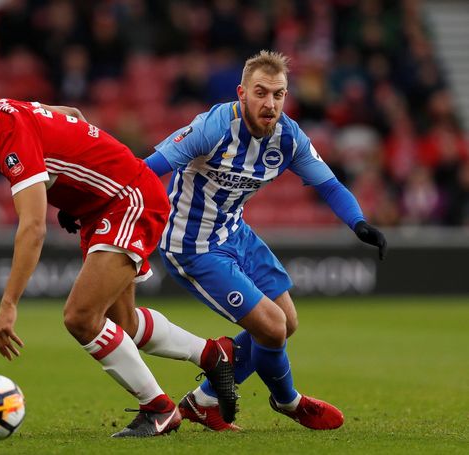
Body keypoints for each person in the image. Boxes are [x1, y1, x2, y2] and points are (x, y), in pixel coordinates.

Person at [0, 39, 237, 438]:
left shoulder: (10, 136)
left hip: (128, 198)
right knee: (123, 322)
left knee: (80, 317)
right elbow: (71, 114)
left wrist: (8, 305)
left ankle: (158, 409)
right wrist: (79, 187)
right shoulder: (5, 112)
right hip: (104, 206)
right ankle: (214, 354)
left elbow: (33, 227)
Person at [143, 50, 387, 431]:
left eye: (278, 94)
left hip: (236, 232)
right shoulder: (212, 127)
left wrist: (359, 223)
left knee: (286, 322)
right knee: (271, 328)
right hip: (192, 245)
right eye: (261, 92)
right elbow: (146, 171)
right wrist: (97, 203)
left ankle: (204, 401)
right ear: (242, 93)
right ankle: (289, 402)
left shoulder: (288, 137)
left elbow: (330, 185)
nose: (270, 103)